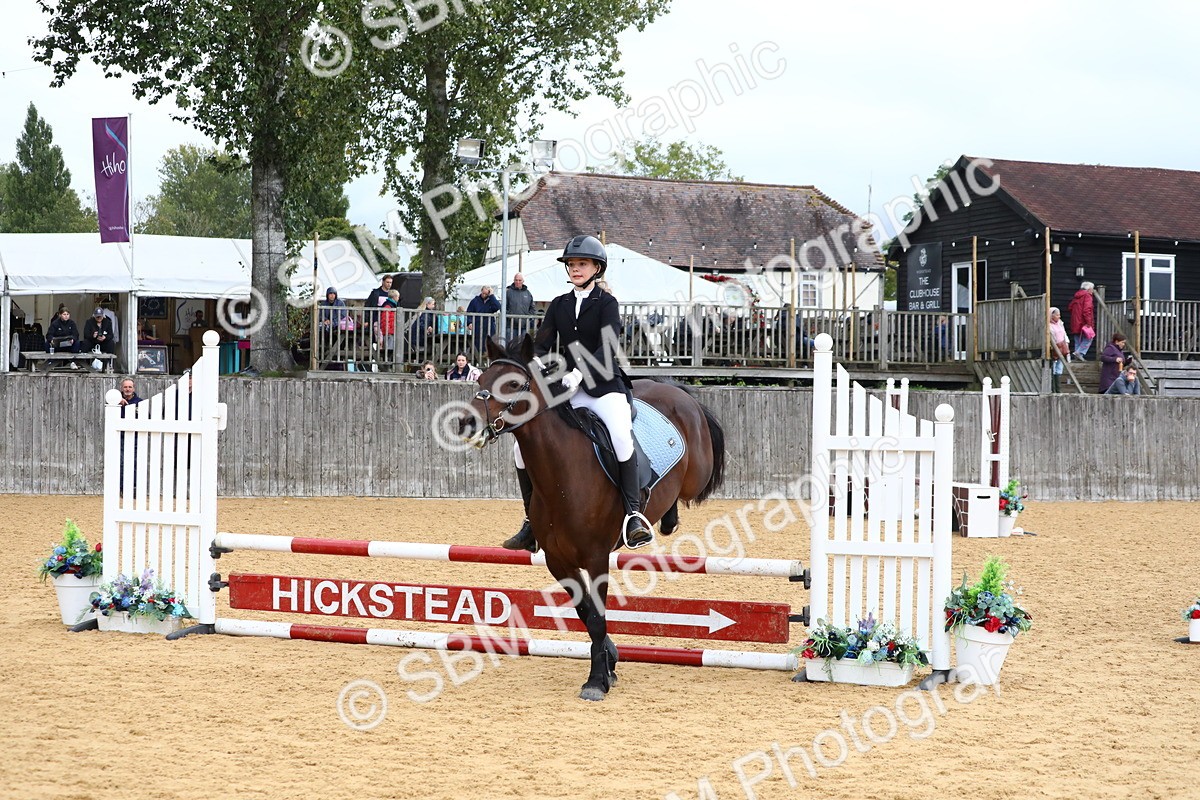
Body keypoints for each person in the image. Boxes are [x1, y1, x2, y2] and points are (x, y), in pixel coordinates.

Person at [502, 235, 653, 553]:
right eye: (571, 264)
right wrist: (539, 364)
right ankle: (532, 522)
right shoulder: (559, 304)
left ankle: (633, 515)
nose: (575, 269)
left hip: (603, 387)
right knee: (520, 446)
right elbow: (542, 343)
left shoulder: (607, 304)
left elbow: (607, 346)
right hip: (566, 388)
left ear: (596, 268)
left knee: (621, 437)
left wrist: (579, 373)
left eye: (581, 264)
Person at [466, 285, 500, 356]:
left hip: (490, 327)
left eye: (486, 294)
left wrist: (492, 296)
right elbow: (469, 312)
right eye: (483, 293)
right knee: (477, 345)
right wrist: (469, 322)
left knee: (489, 345)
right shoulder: (475, 301)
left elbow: (497, 306)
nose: (484, 295)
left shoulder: (491, 301)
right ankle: (477, 360)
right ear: (481, 291)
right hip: (478, 327)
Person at [1067, 281, 1095, 360]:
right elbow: (1087, 310)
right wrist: (1089, 322)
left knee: (1078, 339)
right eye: (1092, 289)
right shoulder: (1087, 296)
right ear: (1089, 289)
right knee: (1089, 337)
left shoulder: (1077, 296)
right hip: (1084, 321)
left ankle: (1077, 356)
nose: (1093, 291)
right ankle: (1079, 352)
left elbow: (1070, 307)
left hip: (1075, 322)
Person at [505, 273, 536, 342]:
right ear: (513, 280)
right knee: (511, 347)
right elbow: (503, 307)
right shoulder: (508, 292)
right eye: (516, 280)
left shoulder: (528, 293)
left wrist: (528, 317)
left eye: (519, 280)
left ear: (523, 281)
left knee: (523, 347)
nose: (518, 282)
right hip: (511, 325)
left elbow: (532, 308)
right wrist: (510, 316)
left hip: (524, 326)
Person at [1048, 307, 1071, 393]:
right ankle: (1053, 389)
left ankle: (1058, 389)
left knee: (1059, 369)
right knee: (1053, 368)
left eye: (1059, 315)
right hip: (1054, 348)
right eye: (1057, 315)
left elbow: (1064, 334)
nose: (1059, 316)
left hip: (1062, 348)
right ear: (1052, 315)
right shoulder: (1049, 326)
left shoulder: (1060, 324)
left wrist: (1067, 344)